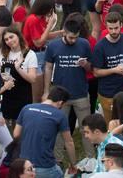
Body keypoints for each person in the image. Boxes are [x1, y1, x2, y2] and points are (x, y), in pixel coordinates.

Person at [43, 14, 94, 156]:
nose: (74, 40)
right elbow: (48, 67)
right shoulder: (53, 45)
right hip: (60, 96)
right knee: (59, 128)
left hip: (81, 94)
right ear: (64, 32)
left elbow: (91, 68)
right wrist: (46, 90)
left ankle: (91, 158)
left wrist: (86, 65)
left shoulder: (84, 44)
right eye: (71, 37)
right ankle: (57, 159)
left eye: (76, 37)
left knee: (86, 129)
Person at [13, 85, 78, 178]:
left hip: (23, 164)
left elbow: (16, 134)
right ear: (60, 103)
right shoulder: (60, 115)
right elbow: (69, 142)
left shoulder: (26, 108)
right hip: (45, 166)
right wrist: (73, 164)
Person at [92, 11, 123, 125]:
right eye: (110, 28)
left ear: (121, 25)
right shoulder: (100, 46)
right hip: (108, 92)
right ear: (106, 26)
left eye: (116, 28)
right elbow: (96, 72)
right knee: (111, 123)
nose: (113, 31)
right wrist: (114, 70)